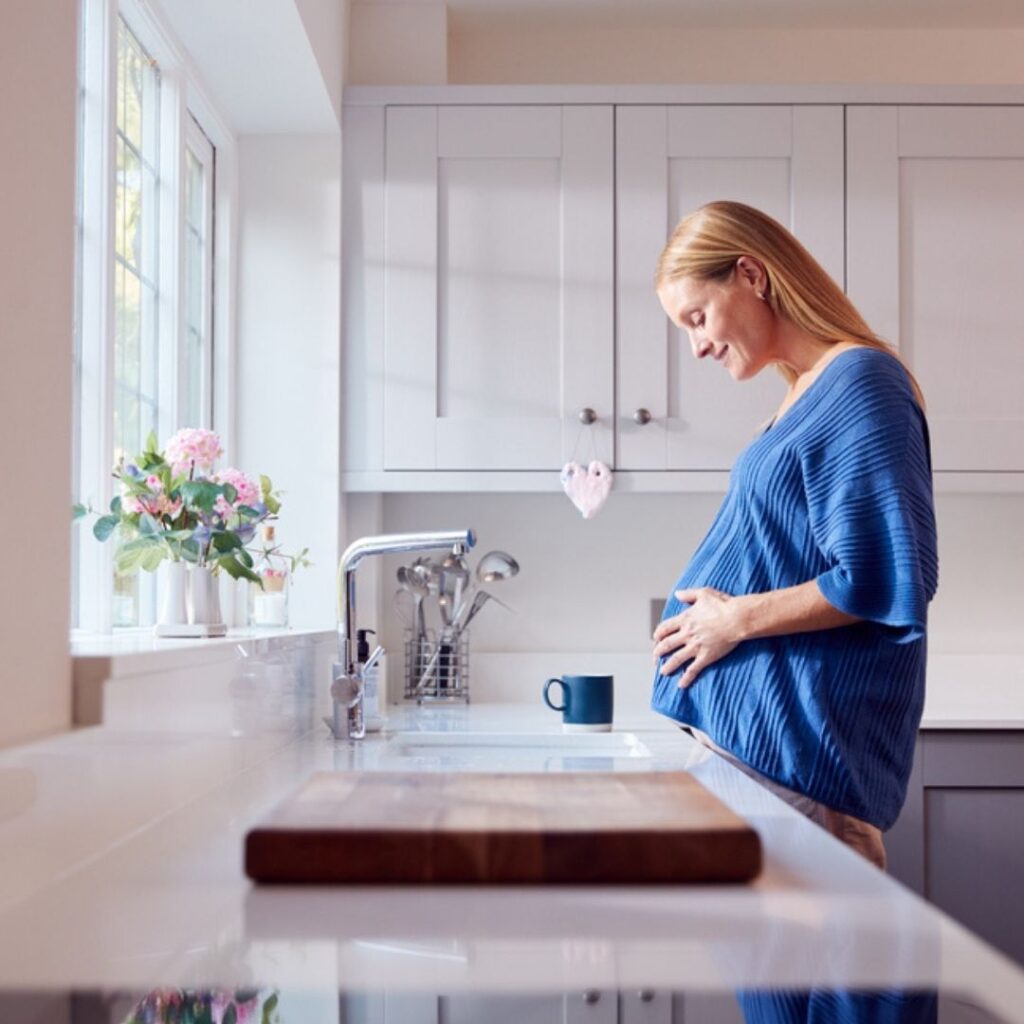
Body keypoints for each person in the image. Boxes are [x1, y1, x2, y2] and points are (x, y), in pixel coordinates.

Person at [650, 200, 939, 871]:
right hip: (766, 757)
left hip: (802, 760)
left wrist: (733, 621)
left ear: (751, 275)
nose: (697, 347)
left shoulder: (861, 382)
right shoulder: (806, 390)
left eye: (697, 318)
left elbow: (884, 576)